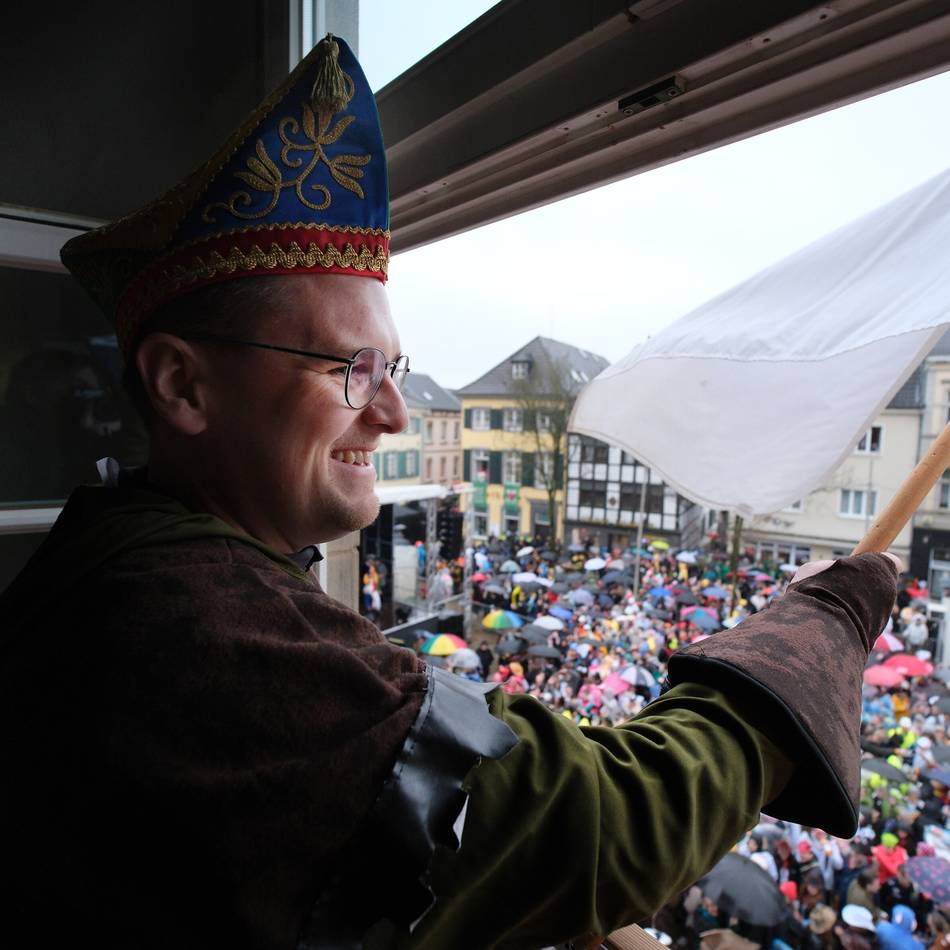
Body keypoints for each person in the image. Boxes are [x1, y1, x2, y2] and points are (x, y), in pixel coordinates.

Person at [0, 33, 903, 950]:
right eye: (351, 367)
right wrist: (817, 628)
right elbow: (611, 829)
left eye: (395, 367)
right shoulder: (199, 632)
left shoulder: (121, 558)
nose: (394, 412)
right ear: (184, 387)